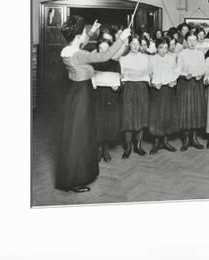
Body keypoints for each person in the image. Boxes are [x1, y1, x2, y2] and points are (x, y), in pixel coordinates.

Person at [56, 16, 130, 192]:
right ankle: (74, 180)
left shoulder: (67, 50)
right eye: (83, 32)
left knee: (77, 136)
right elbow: (104, 56)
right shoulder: (80, 54)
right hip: (82, 96)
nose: (84, 35)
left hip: (75, 94)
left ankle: (74, 176)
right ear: (78, 35)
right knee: (80, 138)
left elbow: (79, 47)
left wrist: (89, 33)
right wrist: (121, 38)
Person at [92, 29, 124, 162]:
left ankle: (105, 150)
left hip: (110, 97)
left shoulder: (115, 63)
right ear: (98, 49)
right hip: (97, 96)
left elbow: (119, 81)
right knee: (97, 122)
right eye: (101, 48)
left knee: (108, 123)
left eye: (107, 49)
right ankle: (97, 149)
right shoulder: (93, 61)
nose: (104, 51)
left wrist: (117, 87)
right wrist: (92, 83)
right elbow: (88, 77)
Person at [119, 35, 150, 158]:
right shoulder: (123, 59)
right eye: (133, 44)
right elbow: (121, 75)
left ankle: (138, 146)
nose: (136, 47)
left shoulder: (145, 58)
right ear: (129, 45)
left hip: (142, 88)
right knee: (128, 117)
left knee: (141, 116)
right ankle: (128, 147)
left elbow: (148, 74)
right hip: (128, 89)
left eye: (138, 44)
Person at [148, 37, 179, 154]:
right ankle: (156, 142)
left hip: (168, 90)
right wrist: (153, 83)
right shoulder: (152, 59)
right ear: (157, 48)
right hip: (157, 91)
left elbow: (174, 73)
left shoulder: (171, 59)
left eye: (166, 48)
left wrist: (173, 82)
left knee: (167, 114)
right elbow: (149, 75)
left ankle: (165, 141)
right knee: (157, 115)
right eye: (161, 47)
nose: (163, 50)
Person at [176, 31, 207, 150]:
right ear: (185, 41)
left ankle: (194, 139)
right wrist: (184, 75)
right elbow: (177, 70)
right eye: (189, 41)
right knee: (186, 112)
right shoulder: (182, 53)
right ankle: (186, 139)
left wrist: (201, 75)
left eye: (194, 41)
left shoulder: (200, 53)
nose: (192, 43)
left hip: (196, 84)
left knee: (195, 112)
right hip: (185, 84)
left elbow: (203, 68)